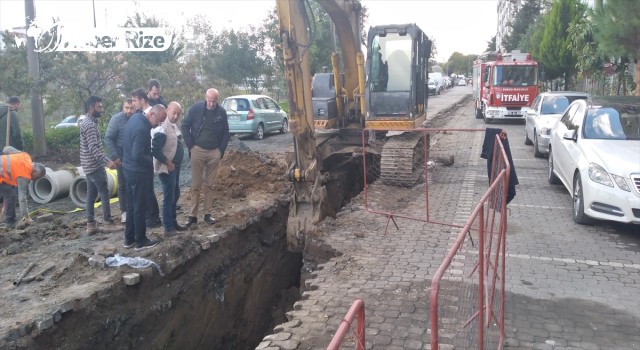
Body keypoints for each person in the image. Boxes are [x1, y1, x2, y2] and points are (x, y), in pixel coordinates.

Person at [181, 88, 230, 228]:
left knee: (209, 184)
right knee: (196, 185)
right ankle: (193, 215)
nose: (211, 103)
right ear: (205, 97)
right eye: (209, 100)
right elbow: (185, 126)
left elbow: (226, 132)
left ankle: (207, 214)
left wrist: (220, 151)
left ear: (217, 100)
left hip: (214, 152)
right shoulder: (196, 108)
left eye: (214, 101)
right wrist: (191, 146)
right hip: (198, 150)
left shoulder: (221, 112)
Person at [122, 104, 167, 250]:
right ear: (152, 115)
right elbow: (138, 154)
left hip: (128, 169)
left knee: (131, 206)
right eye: (159, 121)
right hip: (138, 173)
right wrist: (151, 162)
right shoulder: (142, 129)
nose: (159, 125)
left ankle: (129, 239)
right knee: (139, 207)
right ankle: (140, 240)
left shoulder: (135, 118)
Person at [80, 95, 120, 235]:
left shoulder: (86, 122)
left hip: (88, 166)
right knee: (104, 192)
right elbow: (93, 148)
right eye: (99, 107)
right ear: (91, 107)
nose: (101, 109)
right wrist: (107, 161)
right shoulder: (90, 125)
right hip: (94, 165)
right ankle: (108, 222)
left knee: (91, 196)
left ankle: (91, 225)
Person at [152, 101, 187, 235]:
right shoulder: (162, 126)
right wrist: (168, 162)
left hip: (175, 166)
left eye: (178, 113)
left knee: (175, 194)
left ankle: (173, 222)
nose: (176, 115)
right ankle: (168, 227)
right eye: (174, 112)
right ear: (167, 110)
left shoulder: (175, 124)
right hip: (166, 168)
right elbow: (155, 150)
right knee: (169, 196)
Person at [131, 88, 162, 228]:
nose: (133, 103)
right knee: (146, 190)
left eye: (135, 100)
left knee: (148, 189)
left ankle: (153, 216)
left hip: (147, 156)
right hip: (143, 156)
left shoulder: (153, 112)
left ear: (142, 100)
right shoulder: (138, 116)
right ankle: (151, 216)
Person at [105, 98, 136, 223]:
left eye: (131, 108)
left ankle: (135, 209)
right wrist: (115, 157)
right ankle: (124, 212)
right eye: (126, 108)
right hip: (121, 159)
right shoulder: (116, 119)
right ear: (123, 107)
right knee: (122, 185)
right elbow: (108, 138)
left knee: (134, 185)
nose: (128, 111)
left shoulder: (137, 118)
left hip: (134, 158)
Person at [0, 147, 46, 227]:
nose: (35, 180)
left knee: (8, 193)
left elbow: (6, 149)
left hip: (3, 177)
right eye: (37, 177)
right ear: (34, 171)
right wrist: (26, 217)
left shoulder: (25, 156)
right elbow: (22, 199)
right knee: (11, 196)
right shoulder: (24, 176)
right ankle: (10, 223)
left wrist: (8, 161)